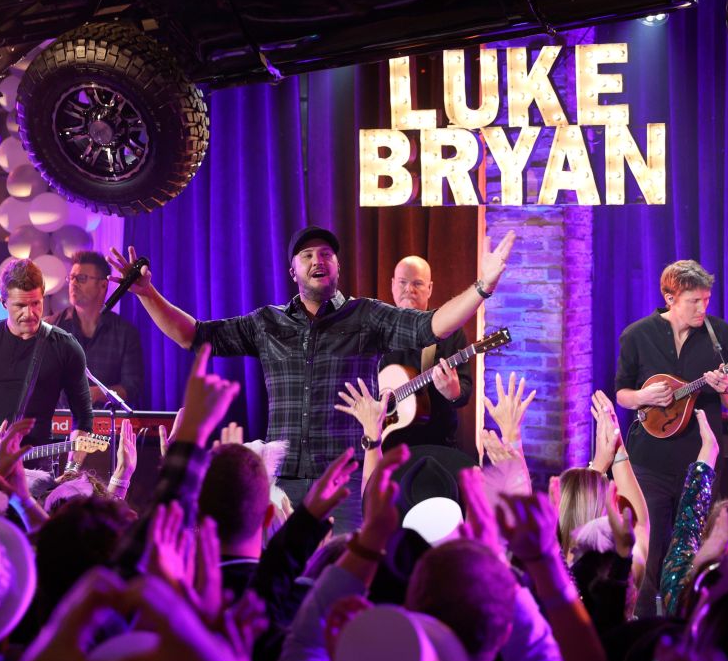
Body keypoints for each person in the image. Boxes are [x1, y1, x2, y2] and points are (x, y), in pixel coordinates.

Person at [110, 225, 515, 533]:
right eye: (307, 255)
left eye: (326, 254)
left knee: (343, 578)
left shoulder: (367, 316)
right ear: (293, 270)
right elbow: (194, 336)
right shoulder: (267, 323)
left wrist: (482, 287)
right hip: (281, 479)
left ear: (338, 267)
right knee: (282, 582)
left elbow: (433, 326)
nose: (317, 260)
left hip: (345, 477)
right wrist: (147, 293)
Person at [614, 259, 728, 617]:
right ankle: (641, 624)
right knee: (649, 549)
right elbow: (622, 394)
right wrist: (643, 396)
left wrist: (725, 387)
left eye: (706, 300)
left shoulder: (719, 335)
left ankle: (688, 624)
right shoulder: (637, 335)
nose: (703, 308)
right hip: (650, 462)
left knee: (694, 548)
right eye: (694, 301)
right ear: (670, 298)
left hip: (700, 463)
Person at [0, 259, 94, 453]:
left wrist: (72, 467)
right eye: (20, 305)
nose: (29, 313)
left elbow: (83, 418)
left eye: (36, 303)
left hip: (37, 462)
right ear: (3, 302)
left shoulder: (65, 346)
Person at [378, 256, 472, 450]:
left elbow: (464, 393)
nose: (409, 289)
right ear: (393, 285)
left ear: (429, 288)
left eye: (417, 283)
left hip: (436, 446)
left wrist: (454, 393)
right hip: (385, 447)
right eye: (402, 282)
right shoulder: (377, 330)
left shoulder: (450, 330)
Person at [47, 250, 144, 409]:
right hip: (60, 421)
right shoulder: (52, 327)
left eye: (81, 278)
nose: (73, 283)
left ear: (103, 285)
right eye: (71, 278)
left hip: (106, 421)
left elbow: (133, 387)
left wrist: (99, 393)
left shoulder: (125, 333)